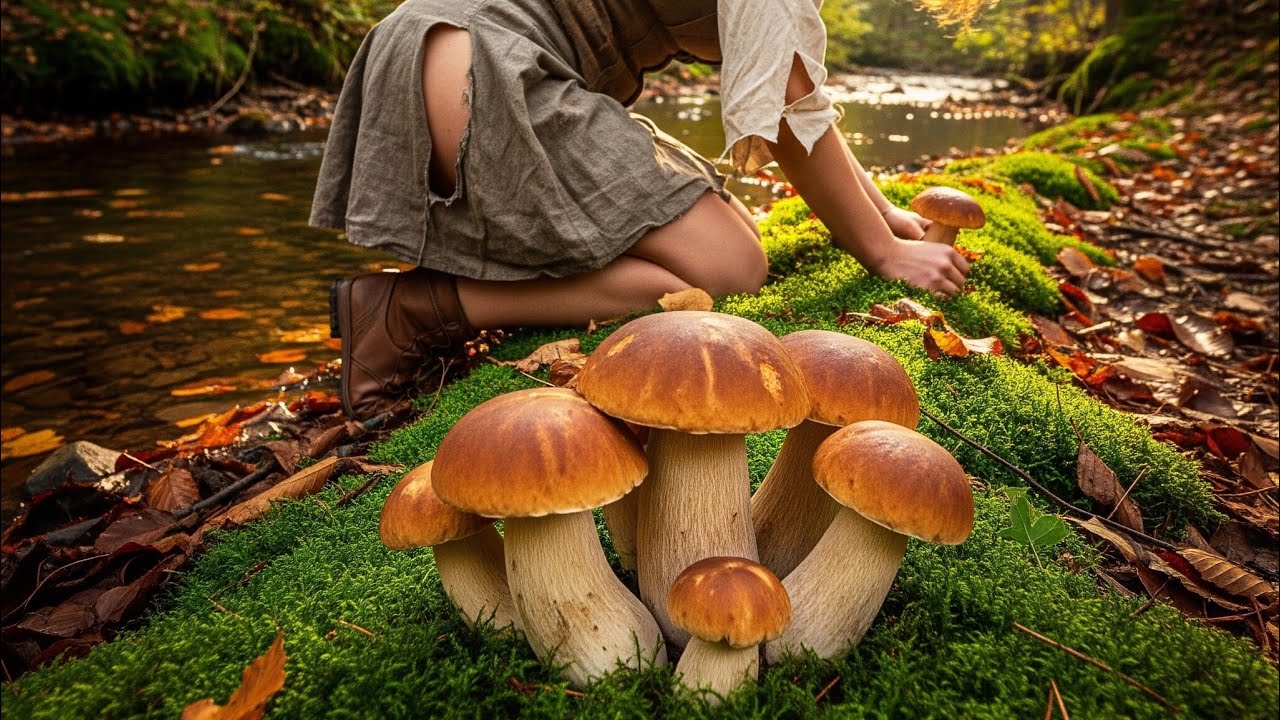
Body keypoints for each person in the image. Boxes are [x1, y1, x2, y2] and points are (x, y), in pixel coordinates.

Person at [311, 0, 974, 420]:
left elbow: (797, 98)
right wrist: (882, 253)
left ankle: (447, 299)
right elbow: (781, 97)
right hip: (488, 67)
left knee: (730, 237)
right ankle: (414, 310)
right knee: (729, 269)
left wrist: (882, 214)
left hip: (430, 44)